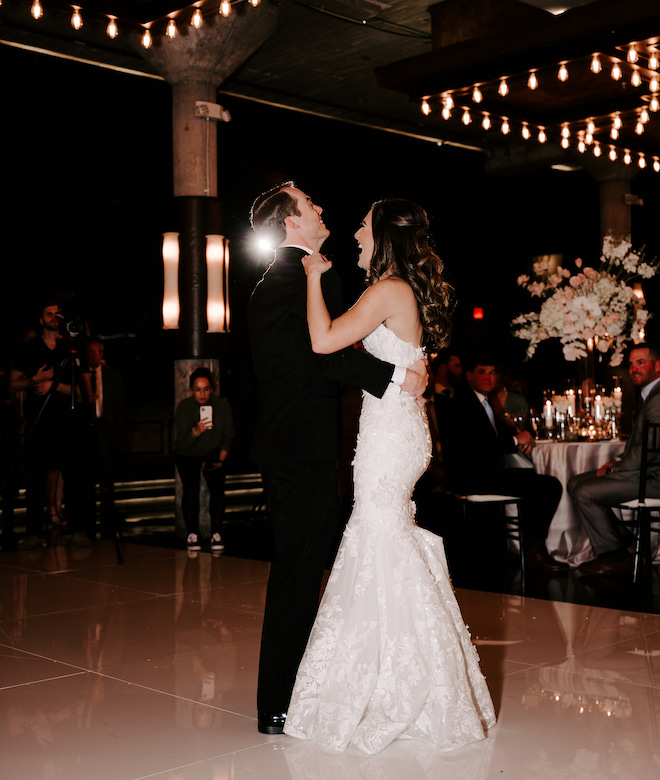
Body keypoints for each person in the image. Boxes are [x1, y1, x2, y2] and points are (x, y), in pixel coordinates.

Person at [282, 198, 495, 755]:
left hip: (390, 438)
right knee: (381, 541)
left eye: (362, 223)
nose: (355, 231)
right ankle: (400, 675)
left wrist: (310, 278)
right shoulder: (397, 289)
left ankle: (406, 683)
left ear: (380, 232)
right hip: (395, 430)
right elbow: (355, 353)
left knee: (378, 541)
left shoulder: (388, 289)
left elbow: (325, 342)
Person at [247, 183, 428, 737]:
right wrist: (393, 376)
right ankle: (278, 702)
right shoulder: (288, 280)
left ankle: (298, 692)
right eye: (310, 204)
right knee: (298, 570)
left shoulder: (298, 277)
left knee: (306, 569)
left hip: (305, 447)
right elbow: (317, 356)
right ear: (289, 221)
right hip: (298, 450)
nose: (323, 208)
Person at [439, 354, 567, 572]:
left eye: (493, 373)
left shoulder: (481, 401)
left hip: (484, 474)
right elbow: (483, 443)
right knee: (549, 486)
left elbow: (497, 430)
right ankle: (533, 549)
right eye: (482, 372)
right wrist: (517, 440)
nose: (489, 377)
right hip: (472, 478)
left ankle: (527, 548)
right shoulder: (463, 402)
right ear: (469, 375)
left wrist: (519, 435)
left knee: (535, 480)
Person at [568, 342, 660, 576]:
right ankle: (625, 541)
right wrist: (616, 462)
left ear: (658, 365)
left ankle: (614, 557)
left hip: (653, 478)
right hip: (642, 472)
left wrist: (613, 471)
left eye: (641, 363)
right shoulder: (650, 394)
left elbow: (647, 453)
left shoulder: (658, 398)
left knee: (584, 491)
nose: (634, 369)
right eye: (631, 364)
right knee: (575, 482)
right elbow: (641, 447)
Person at [9, 301, 92, 549]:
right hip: (38, 424)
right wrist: (34, 380)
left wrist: (54, 386)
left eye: (57, 314)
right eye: (49, 314)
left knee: (73, 479)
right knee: (35, 481)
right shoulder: (28, 349)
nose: (54, 318)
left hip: (68, 425)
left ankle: (77, 529)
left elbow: (83, 392)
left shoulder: (71, 349)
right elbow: (13, 384)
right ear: (40, 319)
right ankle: (33, 532)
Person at [174, 367, 234, 553]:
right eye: (198, 389)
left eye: (206, 389)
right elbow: (181, 441)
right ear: (191, 389)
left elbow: (228, 435)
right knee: (190, 492)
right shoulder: (185, 406)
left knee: (217, 492)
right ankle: (192, 533)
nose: (202, 394)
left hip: (212, 452)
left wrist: (221, 460)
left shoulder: (222, 406)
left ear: (212, 388)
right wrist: (196, 431)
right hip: (187, 454)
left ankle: (217, 532)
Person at [81, 337, 124, 540]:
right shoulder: (81, 375)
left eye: (98, 352)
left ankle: (108, 520)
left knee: (108, 475)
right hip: (87, 428)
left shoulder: (111, 375)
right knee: (87, 475)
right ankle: (87, 522)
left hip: (107, 428)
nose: (95, 355)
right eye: (91, 352)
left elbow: (118, 403)